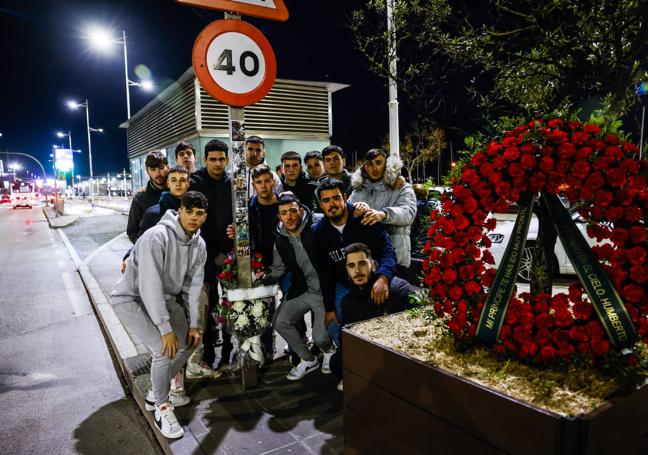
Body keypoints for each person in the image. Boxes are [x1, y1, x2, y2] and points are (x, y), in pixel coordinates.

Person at [110, 191, 208, 439]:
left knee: (188, 342)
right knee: (163, 349)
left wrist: (194, 324)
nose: (194, 218)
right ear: (181, 210)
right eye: (190, 212)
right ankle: (162, 406)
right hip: (132, 298)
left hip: (165, 299)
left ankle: (157, 388)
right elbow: (149, 285)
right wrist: (164, 329)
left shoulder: (199, 244)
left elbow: (193, 287)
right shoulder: (157, 236)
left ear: (205, 216)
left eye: (200, 214)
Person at [312, 177, 397, 346]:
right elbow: (325, 274)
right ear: (321, 205)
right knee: (334, 326)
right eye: (326, 200)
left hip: (373, 280)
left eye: (336, 198)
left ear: (344, 198)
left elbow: (388, 251)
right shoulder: (318, 233)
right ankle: (349, 359)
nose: (332, 204)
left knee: (380, 324)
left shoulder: (364, 218)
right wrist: (329, 309)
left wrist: (383, 277)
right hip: (344, 285)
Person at [263, 192, 336, 380]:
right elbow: (278, 269)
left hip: (324, 290)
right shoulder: (280, 240)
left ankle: (329, 351)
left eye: (293, 211)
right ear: (279, 216)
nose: (289, 216)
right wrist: (261, 277)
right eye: (284, 213)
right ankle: (308, 358)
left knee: (320, 338)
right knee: (280, 322)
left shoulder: (317, 227)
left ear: (301, 211)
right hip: (302, 289)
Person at [330, 242, 417, 390]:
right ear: (347, 271)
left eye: (362, 263)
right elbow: (346, 340)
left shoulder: (398, 289)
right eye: (351, 266)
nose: (357, 270)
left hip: (397, 353)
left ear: (373, 265)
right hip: (369, 353)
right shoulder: (348, 302)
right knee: (336, 362)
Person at [189, 139, 234, 376]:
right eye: (213, 159)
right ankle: (206, 354)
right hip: (200, 259)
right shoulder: (194, 182)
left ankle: (229, 349)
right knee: (203, 308)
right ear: (204, 159)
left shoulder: (233, 183)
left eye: (221, 159)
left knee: (228, 305)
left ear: (227, 159)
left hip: (226, 255)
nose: (217, 163)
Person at [349, 148, 417, 279]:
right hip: (366, 261)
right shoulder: (357, 191)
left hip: (397, 258)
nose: (374, 168)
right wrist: (355, 209)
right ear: (364, 167)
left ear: (386, 164)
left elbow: (408, 213)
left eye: (378, 162)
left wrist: (384, 214)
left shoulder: (402, 187)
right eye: (369, 164)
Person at [126, 151, 169, 243]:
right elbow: (132, 231)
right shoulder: (140, 198)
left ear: (167, 168)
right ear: (147, 171)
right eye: (153, 169)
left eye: (161, 168)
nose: (158, 173)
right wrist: (146, 248)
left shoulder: (177, 193)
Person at [137, 164, 190, 237]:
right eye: (174, 180)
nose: (178, 184)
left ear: (188, 183)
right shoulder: (152, 213)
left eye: (182, 180)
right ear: (168, 183)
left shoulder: (195, 212)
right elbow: (142, 243)